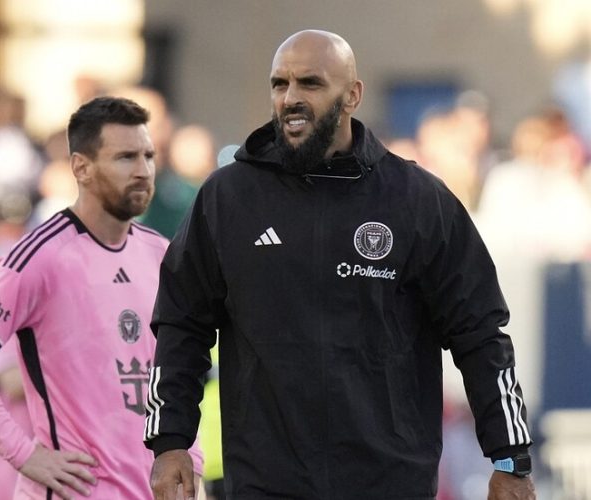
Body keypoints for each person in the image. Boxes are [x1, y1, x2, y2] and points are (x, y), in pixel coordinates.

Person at [144, 30, 536, 500]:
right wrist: (170, 442)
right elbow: (180, 325)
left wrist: (510, 459)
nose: (290, 98)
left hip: (390, 483)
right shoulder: (227, 198)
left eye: (310, 83)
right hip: (267, 483)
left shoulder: (416, 199)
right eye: (280, 83)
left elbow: (481, 333)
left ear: (352, 95)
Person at [0, 96, 203, 499]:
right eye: (125, 158)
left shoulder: (160, 253)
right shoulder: (41, 255)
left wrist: (191, 460)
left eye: (148, 156)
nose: (143, 171)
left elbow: (176, 368)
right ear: (81, 167)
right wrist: (22, 452)